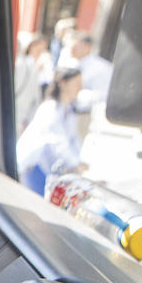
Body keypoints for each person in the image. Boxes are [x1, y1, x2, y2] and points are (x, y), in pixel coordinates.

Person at [18, 66, 85, 195]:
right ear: (63, 83)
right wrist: (75, 164)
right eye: (76, 83)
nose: (79, 87)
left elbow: (73, 139)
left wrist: (79, 161)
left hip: (49, 169)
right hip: (34, 167)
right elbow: (58, 142)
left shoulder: (69, 110)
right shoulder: (49, 109)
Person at [13, 33, 49, 135]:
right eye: (38, 48)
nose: (40, 52)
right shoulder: (24, 64)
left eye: (43, 50)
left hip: (20, 116)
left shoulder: (32, 65)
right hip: (18, 114)